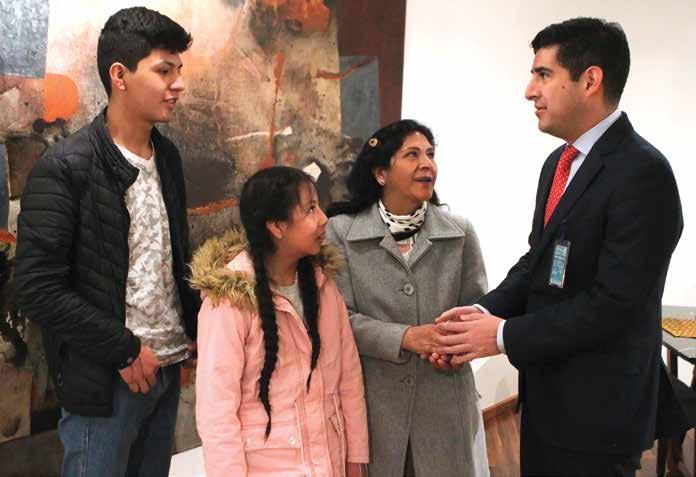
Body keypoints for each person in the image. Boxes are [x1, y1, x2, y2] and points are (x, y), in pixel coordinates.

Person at [434, 18, 684, 476]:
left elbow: (615, 305)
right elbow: (540, 260)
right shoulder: (559, 163)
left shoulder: (643, 173)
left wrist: (502, 336)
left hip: (599, 415)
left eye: (543, 74)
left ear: (590, 80)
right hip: (548, 398)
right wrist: (481, 314)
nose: (529, 91)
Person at [14, 7, 199, 477]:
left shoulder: (168, 157)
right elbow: (36, 287)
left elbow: (172, 258)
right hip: (106, 380)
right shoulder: (66, 166)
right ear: (120, 76)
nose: (178, 84)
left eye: (179, 71)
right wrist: (124, 349)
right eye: (164, 71)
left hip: (167, 368)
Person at [326, 120, 490, 477]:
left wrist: (455, 347)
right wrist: (406, 337)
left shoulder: (460, 231)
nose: (426, 163)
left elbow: (477, 309)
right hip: (376, 406)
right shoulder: (340, 232)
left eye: (430, 154)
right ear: (381, 173)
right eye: (412, 155)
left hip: (445, 400)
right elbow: (339, 320)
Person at [191, 166, 369, 477]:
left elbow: (349, 379)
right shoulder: (230, 302)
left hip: (329, 464)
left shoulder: (323, 286)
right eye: (310, 209)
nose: (323, 219)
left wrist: (355, 458)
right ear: (277, 226)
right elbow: (216, 412)